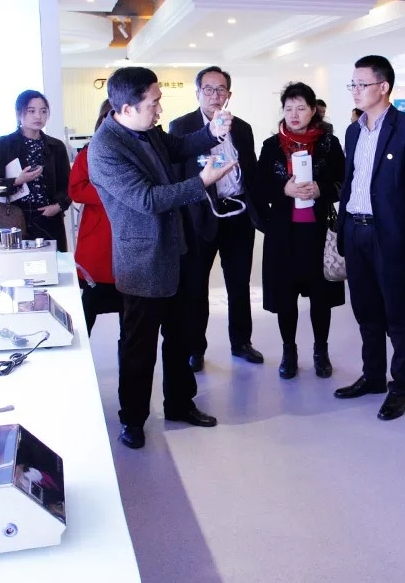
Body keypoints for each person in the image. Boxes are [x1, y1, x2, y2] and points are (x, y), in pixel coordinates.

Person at [87, 67, 238, 449]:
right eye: (153, 103)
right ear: (126, 108)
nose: (159, 110)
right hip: (143, 260)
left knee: (181, 335)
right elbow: (147, 199)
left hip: (178, 247)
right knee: (138, 347)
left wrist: (212, 132)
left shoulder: (149, 130)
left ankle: (180, 404)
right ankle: (133, 419)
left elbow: (178, 147)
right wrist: (202, 182)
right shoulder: (105, 148)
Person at [333, 55, 405, 421]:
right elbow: (351, 180)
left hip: (391, 236)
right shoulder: (353, 131)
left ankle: (399, 387)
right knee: (366, 311)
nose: (355, 91)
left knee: (399, 316)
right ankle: (372, 376)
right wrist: (343, 227)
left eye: (362, 84)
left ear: (384, 87)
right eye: (352, 85)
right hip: (355, 231)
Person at [169, 66, 264, 372]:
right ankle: (196, 347)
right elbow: (177, 175)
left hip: (238, 215)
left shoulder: (243, 128)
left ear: (229, 95)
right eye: (208, 89)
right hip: (201, 218)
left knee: (239, 284)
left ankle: (241, 342)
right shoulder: (181, 127)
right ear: (197, 93)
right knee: (196, 287)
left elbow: (251, 171)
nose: (214, 95)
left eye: (220, 89)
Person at [257, 82, 346, 379]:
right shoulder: (271, 146)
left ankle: (321, 351)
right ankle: (289, 351)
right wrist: (283, 189)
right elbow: (259, 188)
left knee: (321, 297)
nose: (294, 114)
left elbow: (344, 182)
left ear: (313, 111)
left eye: (301, 108)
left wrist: (321, 189)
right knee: (286, 297)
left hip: (319, 234)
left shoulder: (329, 144)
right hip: (284, 235)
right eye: (288, 108)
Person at [0, 90, 71, 251]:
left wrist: (59, 206)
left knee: (54, 262)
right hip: (16, 219)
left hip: (50, 217)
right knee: (19, 263)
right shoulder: (4, 144)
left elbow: (68, 184)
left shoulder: (56, 146)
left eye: (43, 111)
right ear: (19, 113)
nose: (38, 116)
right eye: (31, 111)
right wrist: (17, 181)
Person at [69, 99, 123, 337]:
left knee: (130, 317)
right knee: (88, 306)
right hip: (98, 238)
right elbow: (76, 190)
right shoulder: (89, 152)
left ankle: (128, 362)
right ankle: (76, 353)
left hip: (128, 239)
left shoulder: (138, 151)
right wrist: (112, 191)